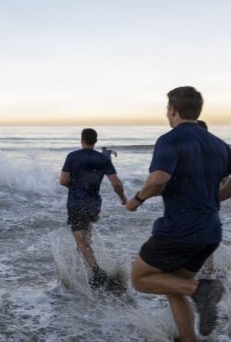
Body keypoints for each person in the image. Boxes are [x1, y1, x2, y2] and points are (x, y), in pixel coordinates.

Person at [126, 87, 231, 341]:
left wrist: (137, 200)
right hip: (210, 232)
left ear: (172, 110)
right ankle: (188, 338)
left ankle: (201, 290)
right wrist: (213, 197)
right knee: (173, 285)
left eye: (167, 109)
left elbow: (158, 179)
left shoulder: (170, 139)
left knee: (140, 279)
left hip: (179, 230)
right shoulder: (219, 144)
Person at [59, 128, 126, 288]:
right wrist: (122, 198)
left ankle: (96, 272)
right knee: (84, 237)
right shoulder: (102, 159)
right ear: (95, 141)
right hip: (94, 203)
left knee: (80, 239)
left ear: (82, 139)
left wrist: (75, 186)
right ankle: (87, 270)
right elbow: (116, 183)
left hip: (76, 203)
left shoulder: (72, 156)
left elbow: (63, 180)